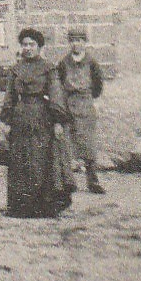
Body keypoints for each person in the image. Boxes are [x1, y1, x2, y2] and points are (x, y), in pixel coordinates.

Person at [0, 29, 73, 218]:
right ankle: (20, 207)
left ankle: (43, 206)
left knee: (40, 160)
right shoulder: (16, 69)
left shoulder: (49, 68)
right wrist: (7, 120)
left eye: (32, 44)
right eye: (25, 44)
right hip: (20, 117)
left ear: (39, 47)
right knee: (19, 160)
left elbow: (56, 94)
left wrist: (58, 121)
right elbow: (10, 96)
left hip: (42, 116)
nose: (28, 48)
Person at [58, 29, 105, 195]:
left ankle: (93, 181)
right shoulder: (64, 62)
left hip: (85, 105)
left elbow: (98, 84)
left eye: (79, 40)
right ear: (69, 43)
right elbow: (59, 83)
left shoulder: (91, 62)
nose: (76, 44)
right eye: (72, 40)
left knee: (88, 144)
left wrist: (87, 97)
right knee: (67, 143)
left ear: (84, 42)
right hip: (69, 105)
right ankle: (68, 181)